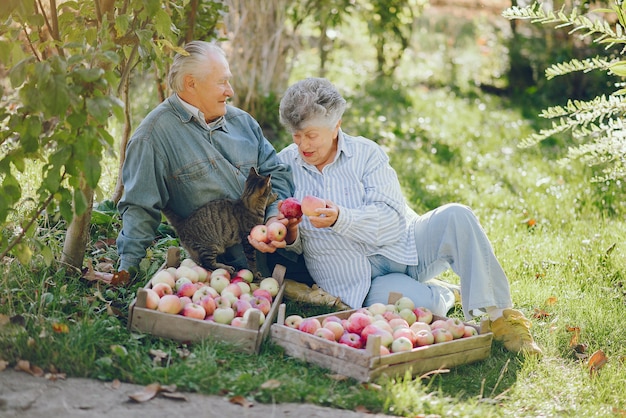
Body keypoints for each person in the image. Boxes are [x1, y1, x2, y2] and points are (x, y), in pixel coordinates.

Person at [251, 77, 542, 356]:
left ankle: (500, 316)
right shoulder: (286, 164)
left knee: (458, 215)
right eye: (297, 136)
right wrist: (289, 234)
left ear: (336, 126)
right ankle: (444, 295)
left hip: (406, 248)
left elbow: (391, 223)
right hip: (357, 283)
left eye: (312, 135)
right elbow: (293, 240)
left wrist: (341, 218)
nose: (303, 146)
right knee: (402, 311)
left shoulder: (367, 154)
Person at [116, 41, 294, 275]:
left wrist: (273, 220)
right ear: (191, 83)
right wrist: (126, 271)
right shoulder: (152, 138)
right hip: (231, 269)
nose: (230, 91)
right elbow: (139, 208)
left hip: (287, 245)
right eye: (222, 82)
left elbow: (277, 172)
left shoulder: (243, 122)